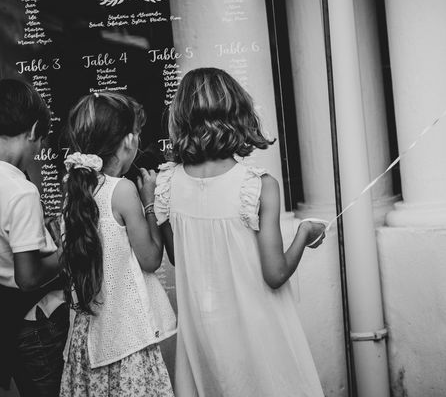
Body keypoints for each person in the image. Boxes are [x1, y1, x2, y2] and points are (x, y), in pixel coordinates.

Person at [154, 67, 327, 396]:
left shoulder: (166, 184)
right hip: (259, 332)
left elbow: (178, 257)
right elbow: (275, 274)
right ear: (237, 114)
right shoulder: (258, 186)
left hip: (205, 334)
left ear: (181, 117)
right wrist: (304, 233)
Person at [58, 92, 176, 396]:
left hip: (87, 342)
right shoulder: (122, 190)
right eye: (137, 132)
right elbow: (150, 259)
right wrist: (151, 203)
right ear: (127, 141)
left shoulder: (74, 191)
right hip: (125, 340)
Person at [0, 78, 68, 397]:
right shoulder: (21, 191)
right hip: (33, 325)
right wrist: (66, 252)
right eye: (42, 140)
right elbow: (28, 277)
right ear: (34, 130)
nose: (40, 150)